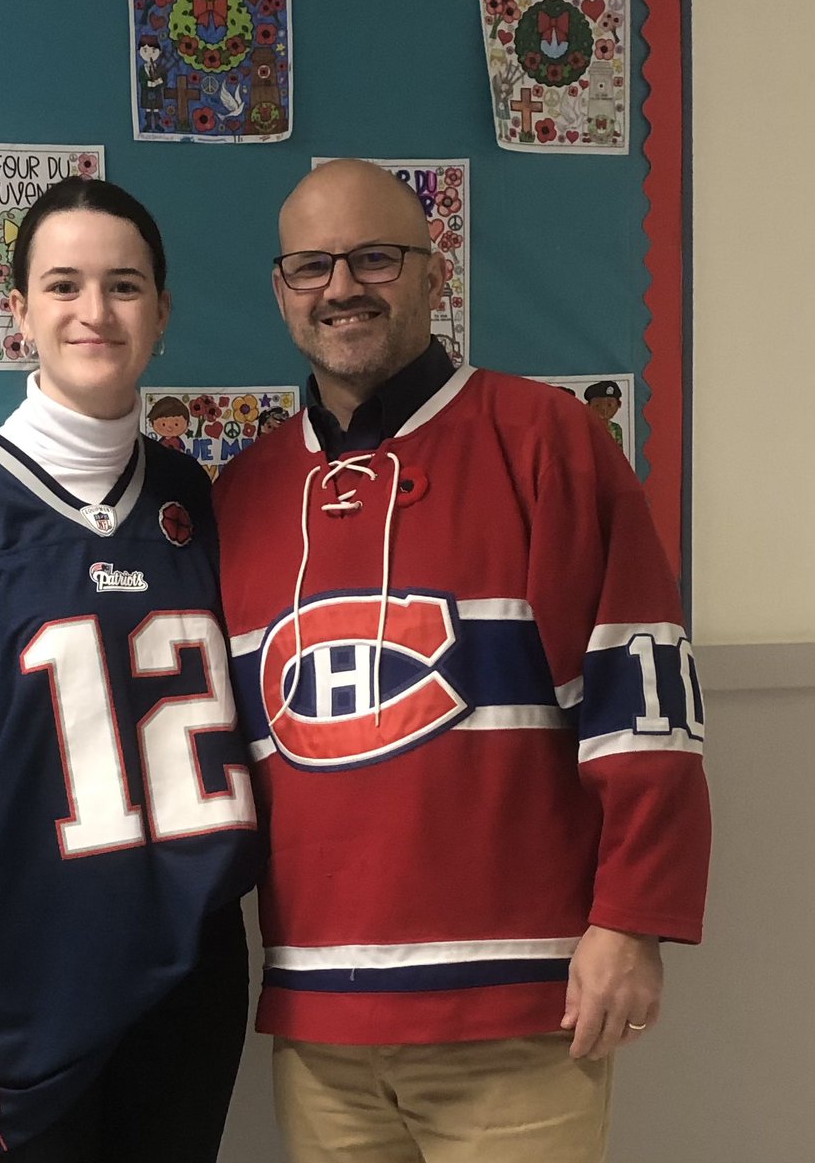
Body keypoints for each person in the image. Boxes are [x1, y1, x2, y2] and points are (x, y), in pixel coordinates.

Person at [211, 159, 711, 1163]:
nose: (342, 287)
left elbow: (641, 695)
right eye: (312, 266)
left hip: (520, 1013)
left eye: (375, 258)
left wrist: (632, 922)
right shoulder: (242, 493)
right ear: (280, 288)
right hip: (319, 1024)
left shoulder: (546, 440)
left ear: (435, 273)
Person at [0, 175, 261, 1163]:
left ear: (161, 311)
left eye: (124, 285)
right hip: (19, 984)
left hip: (189, 975)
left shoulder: (198, 500)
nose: (95, 310)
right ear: (18, 312)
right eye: (63, 285)